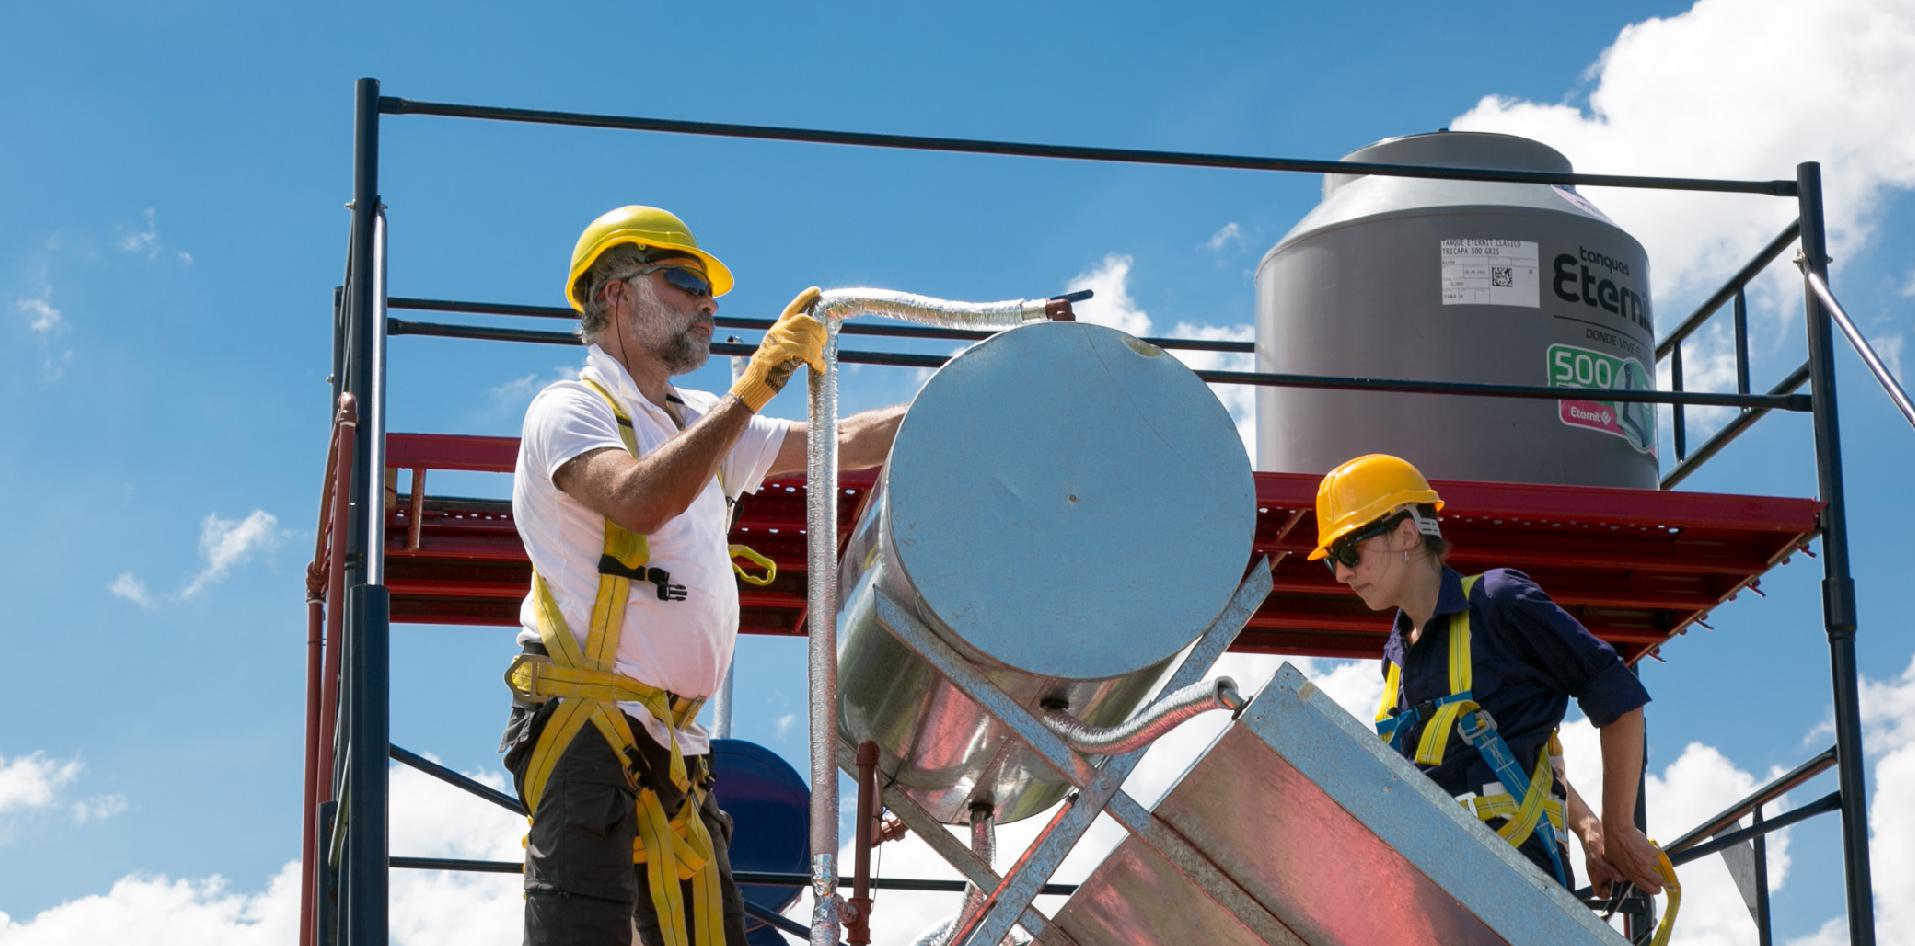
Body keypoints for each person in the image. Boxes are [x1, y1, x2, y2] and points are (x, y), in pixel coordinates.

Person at [500, 205, 903, 946]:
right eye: (684, 282)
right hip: (588, 728)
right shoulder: (569, 410)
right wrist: (752, 390)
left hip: (677, 749)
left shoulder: (694, 422)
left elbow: (842, 439)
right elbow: (639, 498)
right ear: (615, 294)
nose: (707, 304)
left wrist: (965, 399)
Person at [1309, 453, 1667, 898]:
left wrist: (1616, 828)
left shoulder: (1499, 601)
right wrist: (1585, 823)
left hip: (1516, 890)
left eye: (1349, 552)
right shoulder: (1397, 654)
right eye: (1332, 562)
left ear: (1405, 532)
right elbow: (1504, 748)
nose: (1342, 574)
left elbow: (1617, 697)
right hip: (1433, 888)